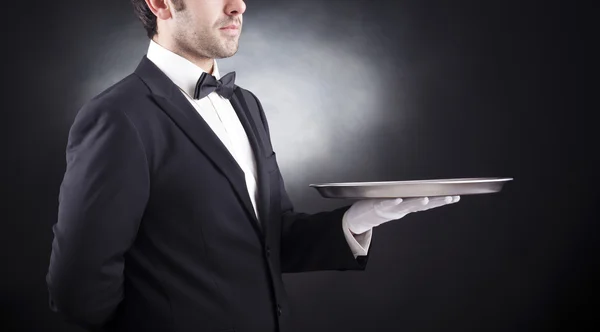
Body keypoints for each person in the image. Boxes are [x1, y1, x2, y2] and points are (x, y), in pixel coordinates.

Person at [46, 1, 460, 331]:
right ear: (161, 4)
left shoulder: (246, 104)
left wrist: (354, 222)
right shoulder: (118, 116)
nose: (238, 5)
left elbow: (270, 239)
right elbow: (77, 289)